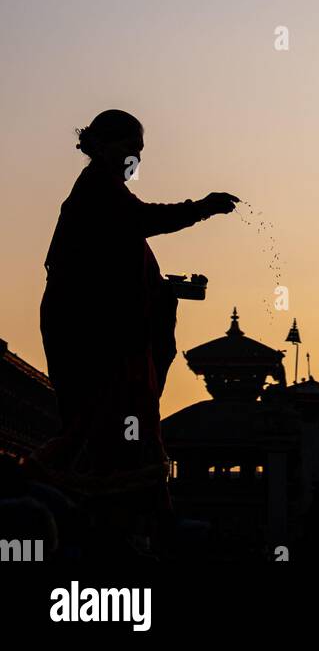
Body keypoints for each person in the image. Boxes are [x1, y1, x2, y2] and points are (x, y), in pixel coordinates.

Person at [26, 109, 237, 547]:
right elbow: (145, 223)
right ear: (101, 146)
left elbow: (113, 266)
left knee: (118, 425)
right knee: (112, 422)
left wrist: (162, 289)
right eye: (128, 147)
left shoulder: (104, 193)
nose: (134, 158)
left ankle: (130, 519)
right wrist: (203, 207)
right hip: (94, 338)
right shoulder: (99, 190)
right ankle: (137, 521)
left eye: (139, 152)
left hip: (105, 334)